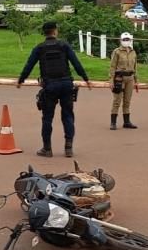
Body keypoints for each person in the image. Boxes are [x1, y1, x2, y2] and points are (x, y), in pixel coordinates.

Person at [18, 21, 93, 158]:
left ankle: (47, 149)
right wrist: (86, 79)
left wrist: (21, 80)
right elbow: (76, 63)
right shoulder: (64, 46)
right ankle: (68, 147)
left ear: (45, 33)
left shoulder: (39, 48)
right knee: (68, 116)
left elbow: (29, 65)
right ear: (55, 31)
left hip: (50, 86)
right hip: (66, 84)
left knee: (47, 118)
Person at [109, 32, 139, 130]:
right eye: (124, 39)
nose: (126, 41)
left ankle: (127, 122)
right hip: (119, 78)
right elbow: (112, 66)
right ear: (121, 40)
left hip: (130, 79)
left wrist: (136, 80)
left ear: (130, 40)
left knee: (127, 101)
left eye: (127, 39)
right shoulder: (117, 52)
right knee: (117, 100)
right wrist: (111, 80)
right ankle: (113, 122)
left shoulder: (133, 52)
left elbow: (135, 67)